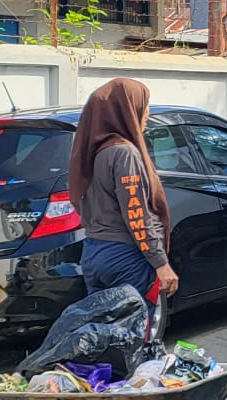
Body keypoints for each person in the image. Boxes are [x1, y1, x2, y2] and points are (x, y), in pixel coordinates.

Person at [68, 77, 178, 312]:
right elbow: (136, 213)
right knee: (136, 334)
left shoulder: (91, 152)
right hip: (124, 257)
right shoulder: (124, 153)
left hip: (94, 253)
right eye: (143, 105)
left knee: (107, 337)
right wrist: (161, 263)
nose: (146, 112)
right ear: (127, 109)